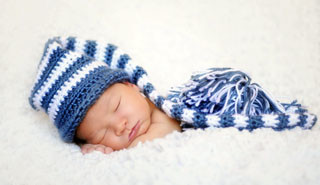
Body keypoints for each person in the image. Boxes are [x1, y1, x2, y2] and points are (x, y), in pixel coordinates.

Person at [29, 39, 180, 155]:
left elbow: (165, 134)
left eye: (116, 106)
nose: (119, 126)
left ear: (131, 86)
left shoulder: (162, 110)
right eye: (101, 133)